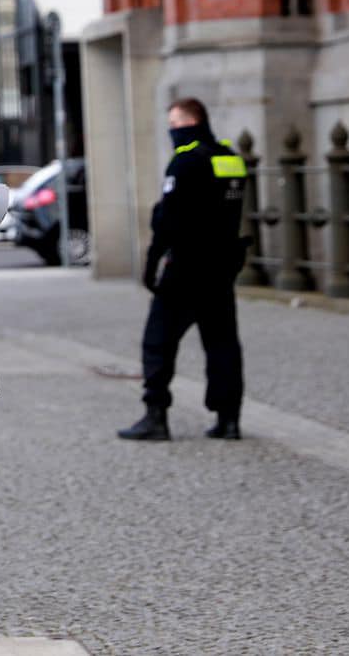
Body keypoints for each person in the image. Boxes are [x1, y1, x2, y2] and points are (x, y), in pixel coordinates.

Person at [119, 96, 249, 442]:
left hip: (187, 268)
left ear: (192, 122)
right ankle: (229, 418)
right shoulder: (231, 159)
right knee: (222, 343)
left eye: (175, 125)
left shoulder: (184, 162)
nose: (172, 132)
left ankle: (155, 415)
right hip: (222, 267)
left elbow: (168, 222)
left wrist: (151, 264)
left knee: (158, 341)